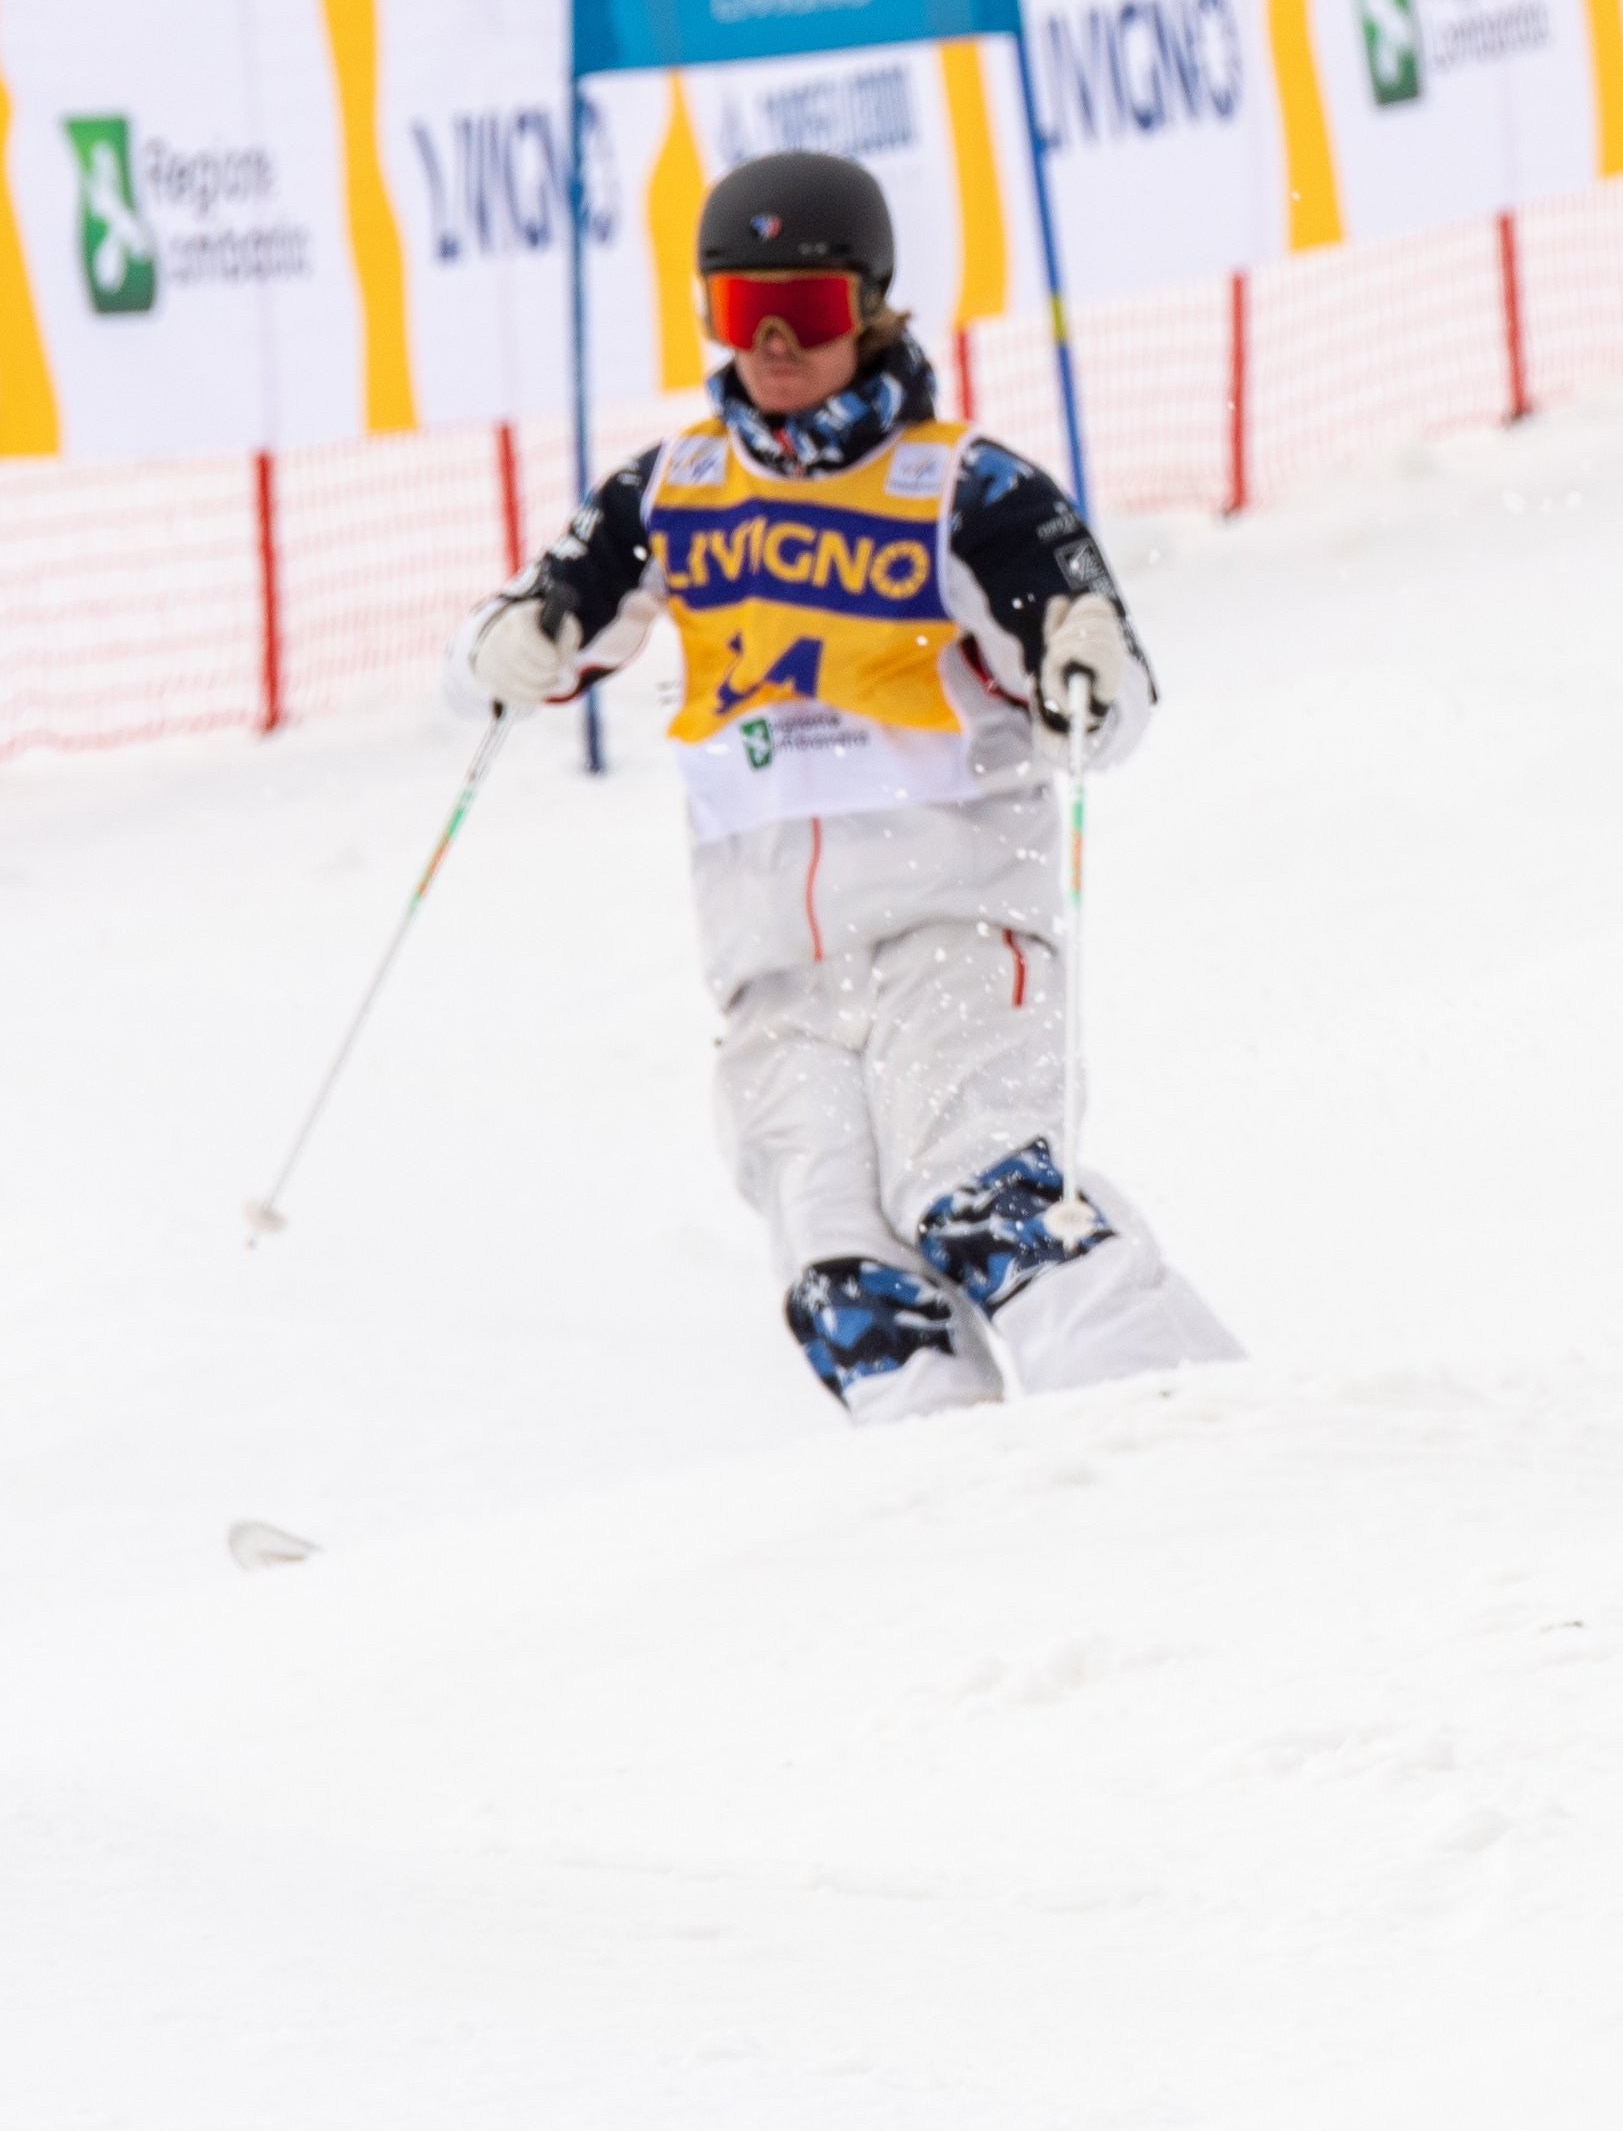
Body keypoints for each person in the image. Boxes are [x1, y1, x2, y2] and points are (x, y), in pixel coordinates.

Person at [458, 149, 1242, 1422]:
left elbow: (1101, 678)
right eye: (738, 308)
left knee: (988, 1198)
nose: (772, 344)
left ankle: (1183, 1424)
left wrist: (1082, 660)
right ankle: (950, 1505)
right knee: (844, 1281)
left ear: (871, 307)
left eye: (808, 312)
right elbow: (535, 630)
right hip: (774, 966)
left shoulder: (961, 488)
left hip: (951, 919)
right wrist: (512, 643)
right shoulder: (675, 490)